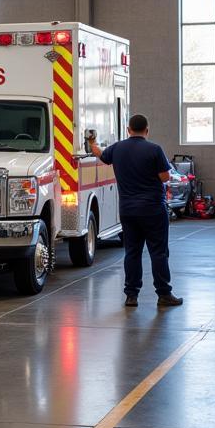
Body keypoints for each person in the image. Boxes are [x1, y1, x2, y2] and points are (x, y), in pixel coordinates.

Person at [89, 115, 183, 309]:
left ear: (128, 129)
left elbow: (100, 154)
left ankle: (131, 295)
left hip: (128, 210)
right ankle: (164, 294)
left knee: (132, 252)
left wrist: (91, 141)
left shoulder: (117, 148)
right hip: (153, 210)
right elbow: (165, 177)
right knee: (158, 252)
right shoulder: (155, 149)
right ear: (147, 130)